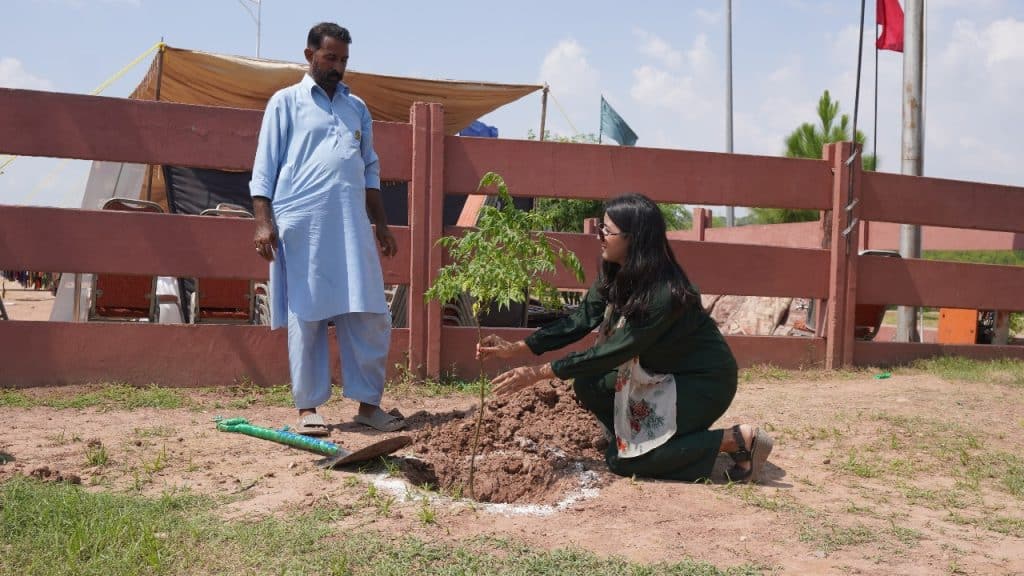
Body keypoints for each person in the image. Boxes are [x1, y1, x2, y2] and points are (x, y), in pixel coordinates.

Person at [477, 194, 773, 483]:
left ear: (635, 238)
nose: (600, 236)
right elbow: (579, 321)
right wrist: (516, 348)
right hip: (659, 374)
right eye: (600, 228)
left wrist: (537, 373)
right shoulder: (616, 273)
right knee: (589, 384)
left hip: (702, 383)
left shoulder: (663, 293)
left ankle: (734, 439)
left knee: (623, 462)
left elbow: (613, 353)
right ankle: (645, 441)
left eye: (607, 230)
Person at [250, 22, 404, 436]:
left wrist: (382, 225)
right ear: (309, 55)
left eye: (344, 60)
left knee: (371, 311)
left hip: (352, 223)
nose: (338, 67)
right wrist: (264, 222)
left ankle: (369, 405)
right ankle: (309, 409)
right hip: (303, 224)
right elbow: (264, 168)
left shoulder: (358, 109)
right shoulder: (285, 103)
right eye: (330, 58)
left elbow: (370, 169)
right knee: (309, 314)